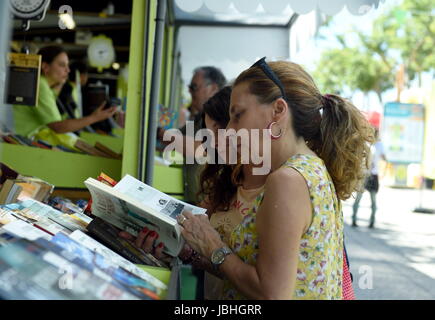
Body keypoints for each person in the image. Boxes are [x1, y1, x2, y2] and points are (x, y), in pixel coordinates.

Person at [176, 58, 374, 299]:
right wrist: (195, 251)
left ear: (278, 111)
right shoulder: (311, 168)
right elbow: (254, 273)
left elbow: (271, 292)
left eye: (238, 115)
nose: (229, 129)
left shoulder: (287, 180)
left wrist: (213, 245)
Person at [13, 46, 116, 148]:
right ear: (45, 67)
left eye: (67, 65)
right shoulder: (40, 85)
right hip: (13, 141)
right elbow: (58, 127)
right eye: (62, 65)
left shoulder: (43, 85)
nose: (68, 70)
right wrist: (95, 117)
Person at [158, 66, 227, 205]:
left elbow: (200, 149)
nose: (189, 90)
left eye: (194, 87)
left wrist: (157, 131)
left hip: (208, 206)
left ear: (213, 88)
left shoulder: (223, 119)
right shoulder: (198, 118)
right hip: (195, 201)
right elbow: (175, 140)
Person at [352, 128, 386, 229]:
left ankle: (366, 220)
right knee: (370, 199)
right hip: (368, 174)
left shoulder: (369, 144)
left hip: (367, 174)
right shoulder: (374, 145)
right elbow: (384, 157)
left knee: (365, 199)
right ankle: (368, 221)